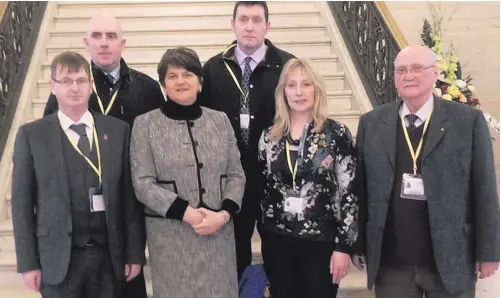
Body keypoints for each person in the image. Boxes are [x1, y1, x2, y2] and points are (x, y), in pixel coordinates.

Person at [354, 44, 500, 297]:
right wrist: (357, 244)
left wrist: (489, 251)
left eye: (417, 68)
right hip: (392, 263)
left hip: (451, 259)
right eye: (401, 70)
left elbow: (484, 187)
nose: (408, 75)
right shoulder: (372, 123)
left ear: (435, 74)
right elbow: (361, 191)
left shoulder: (467, 121)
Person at [43, 13, 164, 298]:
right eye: (96, 36)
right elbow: (50, 151)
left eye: (111, 36)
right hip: (82, 215)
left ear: (123, 43)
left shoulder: (146, 89)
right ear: (86, 43)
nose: (104, 43)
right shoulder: (67, 90)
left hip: (129, 204)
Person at [11, 51, 145, 298]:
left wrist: (134, 253)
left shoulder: (117, 131)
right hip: (58, 258)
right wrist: (28, 262)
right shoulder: (32, 136)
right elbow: (21, 204)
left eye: (81, 80)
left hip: (109, 256)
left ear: (91, 86)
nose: (74, 87)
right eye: (66, 81)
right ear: (53, 86)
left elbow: (129, 198)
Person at [130, 47, 246, 297]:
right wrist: (187, 213)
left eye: (188, 74)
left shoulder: (220, 121)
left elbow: (236, 174)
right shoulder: (145, 125)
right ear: (163, 84)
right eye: (172, 76)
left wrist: (223, 215)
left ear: (200, 83)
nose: (181, 81)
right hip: (171, 239)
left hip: (218, 236)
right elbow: (142, 183)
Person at [198, 1, 295, 278]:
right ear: (233, 25)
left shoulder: (287, 66)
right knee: (235, 253)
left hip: (276, 177)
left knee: (278, 251)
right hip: (230, 178)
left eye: (256, 20)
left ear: (268, 25)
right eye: (243, 19)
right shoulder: (214, 68)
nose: (249, 26)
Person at [257, 58, 359, 298]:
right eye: (291, 85)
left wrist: (344, 247)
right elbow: (262, 191)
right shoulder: (269, 137)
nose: (299, 92)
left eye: (306, 84)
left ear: (317, 90)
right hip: (277, 242)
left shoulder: (336, 134)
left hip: (321, 244)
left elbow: (349, 194)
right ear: (283, 92)